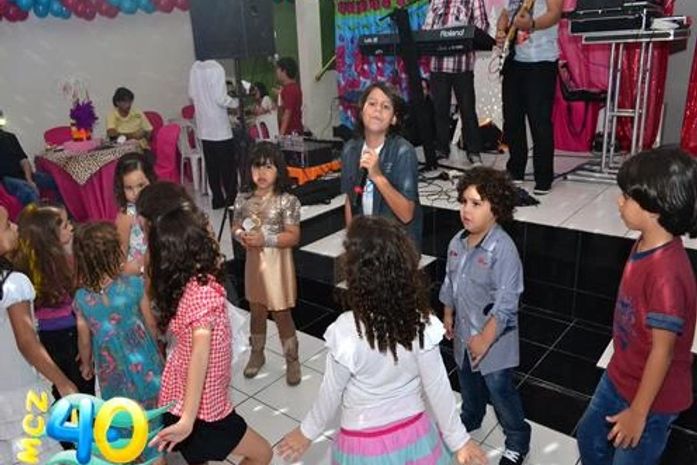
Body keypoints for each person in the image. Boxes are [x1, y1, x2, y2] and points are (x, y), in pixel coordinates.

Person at [277, 216, 487, 465]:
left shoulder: (346, 331)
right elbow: (438, 386)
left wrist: (306, 433)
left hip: (362, 445)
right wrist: (459, 441)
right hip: (414, 436)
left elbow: (331, 393)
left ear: (355, 272)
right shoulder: (421, 323)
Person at [576, 148, 697, 465]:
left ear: (656, 207)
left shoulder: (666, 275)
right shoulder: (645, 242)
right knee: (589, 437)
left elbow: (663, 352)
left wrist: (639, 412)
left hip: (654, 398)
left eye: (628, 196)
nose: (619, 202)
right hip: (621, 374)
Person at [146, 203, 272, 465]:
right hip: (204, 413)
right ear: (196, 248)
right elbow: (200, 353)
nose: (215, 237)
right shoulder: (203, 292)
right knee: (262, 453)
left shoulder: (181, 284)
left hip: (178, 396)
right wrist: (188, 419)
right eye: (208, 233)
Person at [440, 167, 530, 465]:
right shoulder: (457, 242)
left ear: (497, 210)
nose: (466, 210)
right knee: (468, 382)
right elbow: (450, 281)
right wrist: (448, 312)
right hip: (465, 335)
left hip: (495, 341)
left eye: (476, 204)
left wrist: (485, 339)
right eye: (464, 201)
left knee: (499, 389)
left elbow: (507, 302)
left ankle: (517, 438)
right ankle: (472, 415)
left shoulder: (503, 250)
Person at [73, 222, 163, 464]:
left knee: (124, 419)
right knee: (152, 422)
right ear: (114, 254)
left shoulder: (81, 298)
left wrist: (86, 364)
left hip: (111, 373)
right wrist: (158, 351)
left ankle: (133, 452)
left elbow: (84, 339)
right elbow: (151, 323)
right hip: (145, 365)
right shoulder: (134, 284)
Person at [0, 205, 69, 464]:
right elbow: (27, 342)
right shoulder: (13, 283)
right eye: (7, 226)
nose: (15, 227)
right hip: (21, 397)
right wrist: (62, 381)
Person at [231, 142, 302, 385]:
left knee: (282, 313)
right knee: (256, 310)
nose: (261, 173)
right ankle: (257, 353)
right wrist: (241, 236)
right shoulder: (243, 198)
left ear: (278, 170)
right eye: (256, 167)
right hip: (254, 263)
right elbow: (235, 226)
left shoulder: (287, 201)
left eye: (268, 167)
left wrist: (266, 239)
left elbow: (293, 236)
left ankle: (292, 359)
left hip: (278, 266)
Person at [13, 203, 95, 406]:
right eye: (65, 225)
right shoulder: (60, 264)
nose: (71, 228)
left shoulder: (27, 264)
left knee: (66, 396)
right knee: (82, 390)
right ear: (49, 236)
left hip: (49, 338)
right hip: (70, 335)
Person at [340, 82, 423, 250]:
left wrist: (377, 176)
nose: (377, 110)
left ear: (393, 118)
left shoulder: (403, 151)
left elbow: (407, 215)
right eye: (372, 104)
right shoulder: (350, 149)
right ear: (362, 111)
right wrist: (351, 242)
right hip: (365, 246)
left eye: (385, 106)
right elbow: (349, 200)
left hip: (397, 248)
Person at [496, 0, 562, 195]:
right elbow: (505, 13)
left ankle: (544, 176)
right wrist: (501, 31)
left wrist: (531, 24)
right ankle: (515, 170)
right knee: (512, 118)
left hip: (541, 61)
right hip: (514, 60)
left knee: (539, 120)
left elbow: (555, 13)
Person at [423, 0, 489, 166]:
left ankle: (473, 151)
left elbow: (482, 26)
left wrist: (461, 32)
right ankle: (442, 148)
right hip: (438, 65)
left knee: (467, 110)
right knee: (440, 110)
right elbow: (427, 29)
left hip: (462, 65)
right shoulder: (436, 1)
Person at [189, 60, 240, 210]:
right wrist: (236, 103)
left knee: (212, 168)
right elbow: (220, 98)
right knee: (227, 167)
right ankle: (231, 200)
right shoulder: (217, 68)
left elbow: (191, 94)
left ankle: (217, 199)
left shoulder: (195, 68)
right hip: (220, 129)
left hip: (204, 128)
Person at [113, 152, 157, 273]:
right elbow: (120, 260)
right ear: (121, 188)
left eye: (141, 185)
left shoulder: (159, 206)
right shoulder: (126, 217)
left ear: (151, 180)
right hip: (138, 274)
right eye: (129, 188)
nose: (136, 193)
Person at [0, 127, 62, 206]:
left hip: (22, 174)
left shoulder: (9, 137)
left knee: (55, 181)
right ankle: (39, 213)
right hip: (5, 180)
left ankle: (56, 211)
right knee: (28, 191)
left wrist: (29, 180)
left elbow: (24, 161)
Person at [106, 87, 153, 151]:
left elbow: (149, 131)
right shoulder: (112, 114)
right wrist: (132, 135)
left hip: (140, 146)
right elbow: (111, 133)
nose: (128, 104)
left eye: (130, 101)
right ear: (117, 103)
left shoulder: (137, 111)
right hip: (121, 147)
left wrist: (144, 136)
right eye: (125, 102)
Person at [276, 57, 303, 136]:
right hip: (291, 132)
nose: (276, 72)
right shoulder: (291, 88)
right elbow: (281, 114)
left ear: (284, 71)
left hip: (291, 134)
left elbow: (287, 114)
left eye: (278, 69)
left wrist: (281, 136)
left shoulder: (290, 90)